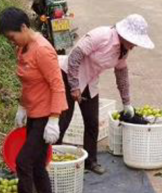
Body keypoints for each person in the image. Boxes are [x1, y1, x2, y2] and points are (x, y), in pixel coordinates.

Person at [58, 14, 155, 174]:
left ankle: (90, 161)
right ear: (125, 35)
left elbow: (122, 74)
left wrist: (127, 103)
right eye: (134, 41)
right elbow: (74, 56)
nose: (135, 46)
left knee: (92, 123)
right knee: (62, 122)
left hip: (90, 82)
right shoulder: (101, 35)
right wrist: (74, 85)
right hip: (68, 76)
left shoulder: (123, 51)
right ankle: (52, 161)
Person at [0, 7, 67, 193]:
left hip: (47, 116)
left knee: (23, 162)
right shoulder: (22, 48)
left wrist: (54, 120)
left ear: (24, 27)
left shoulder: (42, 50)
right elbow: (29, 84)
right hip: (34, 114)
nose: (11, 41)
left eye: (12, 36)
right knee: (36, 164)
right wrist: (22, 106)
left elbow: (57, 86)